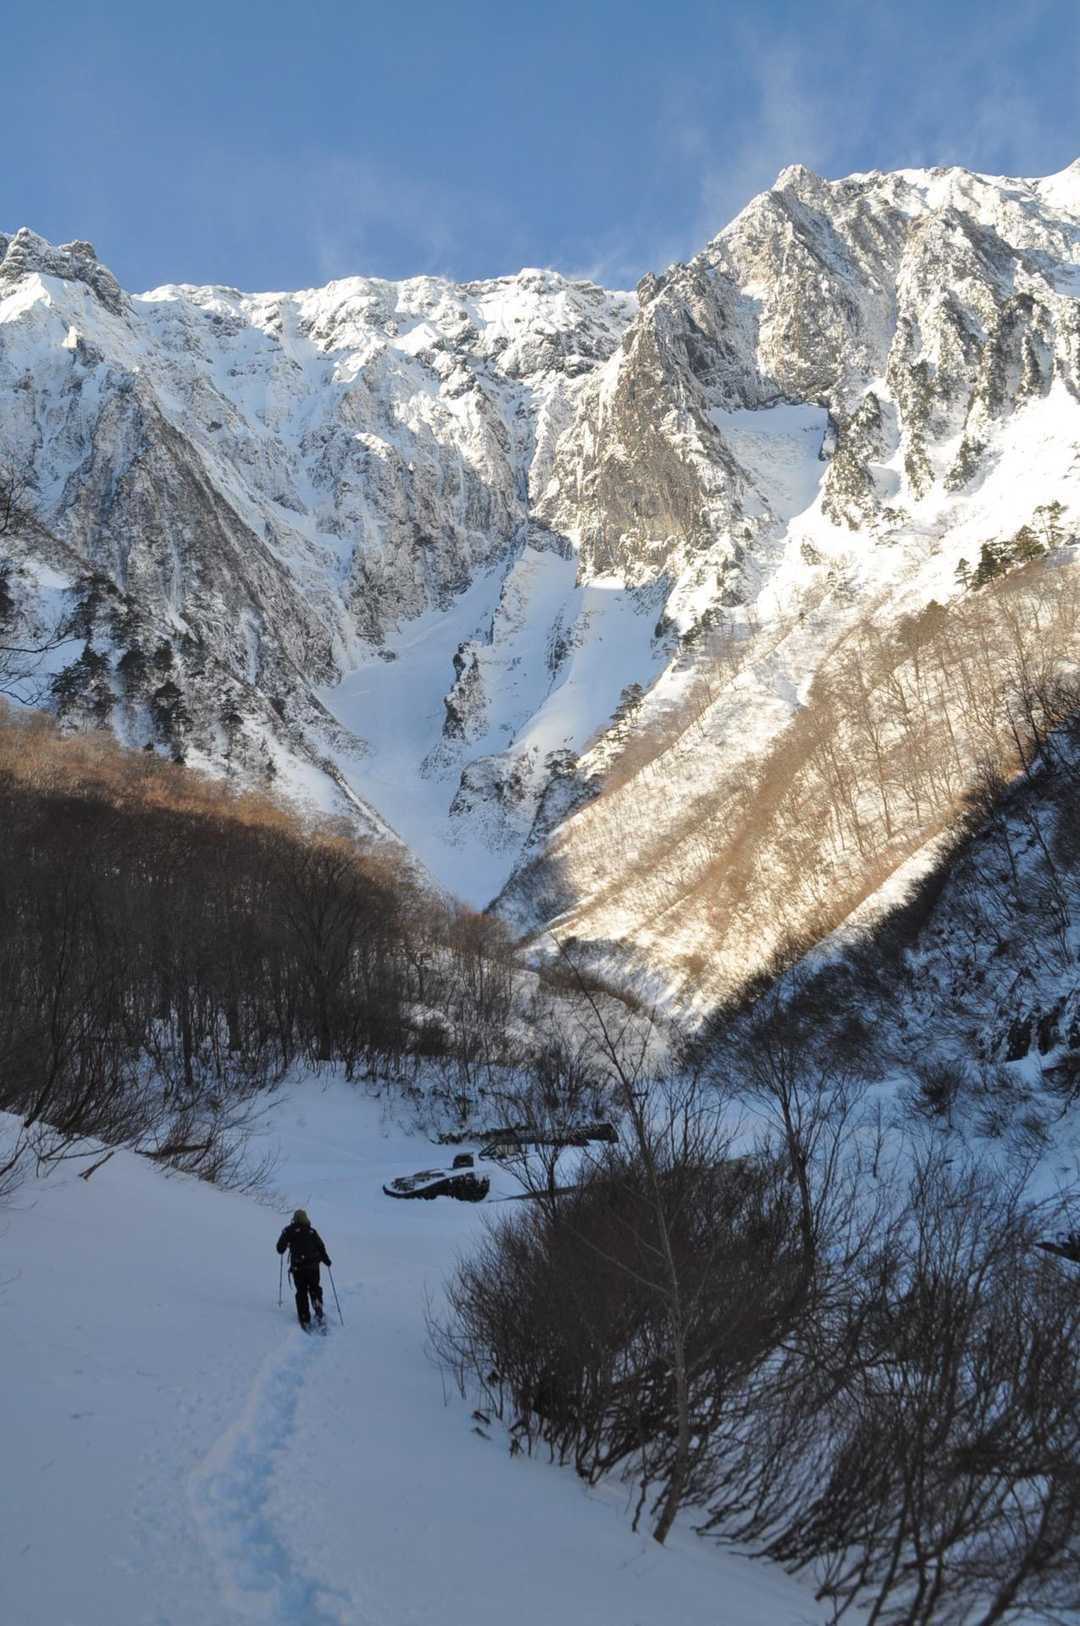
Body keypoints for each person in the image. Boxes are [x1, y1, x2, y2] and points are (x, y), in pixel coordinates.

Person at [276, 1209, 332, 1330]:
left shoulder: (289, 1230)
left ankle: (304, 1319)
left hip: (298, 1267)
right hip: (313, 1266)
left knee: (301, 1292)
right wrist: (326, 1260)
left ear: (294, 1219)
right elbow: (321, 1247)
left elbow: (280, 1249)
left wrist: (286, 1241)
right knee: (314, 1288)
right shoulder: (312, 1231)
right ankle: (318, 1308)